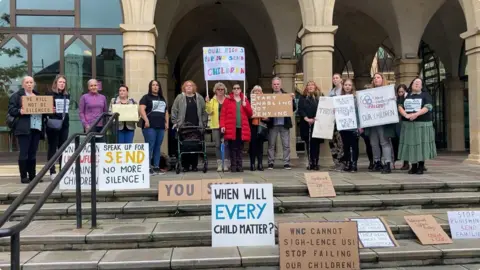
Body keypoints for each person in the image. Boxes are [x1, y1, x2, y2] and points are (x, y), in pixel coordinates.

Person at [8, 76, 48, 184]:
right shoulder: (17, 96)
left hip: (36, 127)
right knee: (24, 153)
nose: (29, 84)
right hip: (24, 128)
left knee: (33, 153)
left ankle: (32, 176)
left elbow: (44, 110)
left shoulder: (38, 96)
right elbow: (11, 110)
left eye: (31, 82)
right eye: (27, 82)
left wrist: (49, 110)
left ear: (34, 84)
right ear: (23, 84)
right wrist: (20, 111)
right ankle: (23, 176)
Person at [398, 77, 437, 174]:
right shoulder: (406, 96)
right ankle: (413, 166)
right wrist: (406, 115)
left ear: (422, 86)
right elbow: (400, 106)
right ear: (411, 84)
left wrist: (416, 114)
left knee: (421, 145)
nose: (417, 84)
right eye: (415, 82)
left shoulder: (425, 95)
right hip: (408, 125)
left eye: (419, 83)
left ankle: (421, 166)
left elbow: (428, 107)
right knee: (411, 145)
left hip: (422, 124)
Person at [171, 80, 207, 172]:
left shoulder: (199, 98)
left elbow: (204, 111)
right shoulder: (179, 98)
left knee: (195, 145)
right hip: (184, 126)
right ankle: (185, 166)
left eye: (191, 86)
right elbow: (174, 110)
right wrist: (175, 122)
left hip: (196, 125)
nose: (189, 87)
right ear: (184, 88)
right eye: (187, 86)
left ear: (194, 87)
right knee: (185, 146)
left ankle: (194, 165)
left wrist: (203, 123)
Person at [364, 73, 396, 174]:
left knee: (384, 142)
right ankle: (377, 162)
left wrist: (393, 100)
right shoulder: (369, 92)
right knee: (373, 143)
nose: (376, 79)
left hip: (383, 121)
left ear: (382, 79)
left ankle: (387, 163)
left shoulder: (388, 91)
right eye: (374, 78)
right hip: (372, 121)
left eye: (378, 77)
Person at [220, 83, 253, 172]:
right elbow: (223, 114)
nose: (236, 90)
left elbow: (250, 114)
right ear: (233, 90)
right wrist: (222, 125)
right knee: (232, 148)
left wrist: (246, 106)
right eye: (234, 88)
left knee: (240, 148)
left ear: (240, 90)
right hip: (231, 127)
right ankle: (233, 166)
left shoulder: (244, 100)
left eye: (238, 88)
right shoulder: (228, 100)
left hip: (241, 128)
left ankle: (240, 165)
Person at [267, 77, 296, 170]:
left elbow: (293, 108)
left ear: (281, 85)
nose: (276, 86)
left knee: (286, 145)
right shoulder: (268, 97)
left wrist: (292, 100)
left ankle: (286, 163)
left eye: (277, 84)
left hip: (284, 124)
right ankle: (270, 162)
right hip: (273, 124)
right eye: (274, 84)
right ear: (272, 85)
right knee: (271, 144)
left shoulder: (287, 96)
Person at [139, 80, 168, 175]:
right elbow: (141, 109)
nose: (155, 87)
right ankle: (147, 167)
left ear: (159, 87)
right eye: (153, 85)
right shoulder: (146, 97)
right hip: (149, 126)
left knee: (157, 146)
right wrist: (146, 120)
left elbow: (166, 112)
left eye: (157, 85)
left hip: (160, 125)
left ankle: (156, 166)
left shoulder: (162, 98)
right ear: (150, 87)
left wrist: (167, 122)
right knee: (150, 146)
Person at [46, 75, 70, 180]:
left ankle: (62, 169)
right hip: (53, 123)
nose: (62, 84)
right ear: (56, 83)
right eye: (60, 82)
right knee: (53, 147)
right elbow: (45, 110)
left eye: (64, 82)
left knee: (62, 147)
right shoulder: (50, 94)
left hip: (64, 123)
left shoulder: (67, 95)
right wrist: (50, 109)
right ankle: (52, 171)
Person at [297, 81, 323, 170]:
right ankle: (310, 162)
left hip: (317, 123)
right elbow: (300, 110)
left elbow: (323, 108)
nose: (310, 86)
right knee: (309, 143)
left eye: (312, 85)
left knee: (316, 144)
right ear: (306, 87)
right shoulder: (303, 97)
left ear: (315, 87)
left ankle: (316, 162)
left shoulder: (319, 97)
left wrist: (316, 117)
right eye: (308, 85)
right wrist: (307, 118)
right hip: (306, 123)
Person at [206, 82, 230, 172]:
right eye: (218, 89)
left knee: (227, 145)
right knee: (217, 145)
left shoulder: (228, 99)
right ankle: (219, 164)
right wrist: (207, 102)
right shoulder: (212, 100)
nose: (220, 91)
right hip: (216, 125)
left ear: (224, 90)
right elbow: (209, 112)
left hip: (227, 125)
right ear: (215, 90)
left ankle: (226, 164)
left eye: (222, 89)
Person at [339, 79, 361, 172]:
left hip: (353, 126)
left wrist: (359, 125)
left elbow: (359, 112)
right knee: (346, 146)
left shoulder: (356, 98)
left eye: (349, 85)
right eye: (346, 85)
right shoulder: (339, 98)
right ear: (343, 86)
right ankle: (348, 163)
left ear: (352, 87)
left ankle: (354, 164)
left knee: (354, 146)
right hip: (343, 126)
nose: (347, 86)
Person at [328, 73, 345, 171]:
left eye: (336, 78)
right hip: (332, 121)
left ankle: (342, 162)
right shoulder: (331, 91)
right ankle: (336, 162)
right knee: (332, 142)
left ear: (341, 79)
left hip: (341, 121)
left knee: (340, 142)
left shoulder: (343, 91)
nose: (335, 79)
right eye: (333, 78)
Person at [248, 85, 267, 171]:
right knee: (252, 145)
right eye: (255, 91)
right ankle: (252, 164)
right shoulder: (249, 102)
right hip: (252, 126)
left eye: (259, 91)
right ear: (252, 92)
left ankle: (260, 163)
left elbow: (270, 112)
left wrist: (267, 118)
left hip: (262, 125)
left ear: (261, 92)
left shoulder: (265, 102)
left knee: (260, 145)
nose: (257, 92)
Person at [391, 84, 409, 170]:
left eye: (403, 91)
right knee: (396, 143)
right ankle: (394, 161)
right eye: (399, 92)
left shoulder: (408, 99)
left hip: (405, 124)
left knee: (405, 143)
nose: (401, 93)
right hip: (396, 124)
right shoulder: (396, 100)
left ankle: (406, 162)